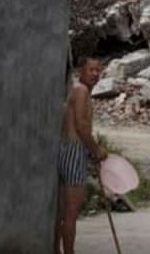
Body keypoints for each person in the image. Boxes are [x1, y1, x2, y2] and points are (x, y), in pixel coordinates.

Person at [56, 57, 108, 254]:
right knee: (70, 212)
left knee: (61, 212)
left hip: (67, 148)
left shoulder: (75, 90)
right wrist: (96, 150)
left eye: (98, 70)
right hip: (74, 150)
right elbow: (82, 125)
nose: (95, 74)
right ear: (81, 71)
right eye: (91, 70)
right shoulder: (82, 90)